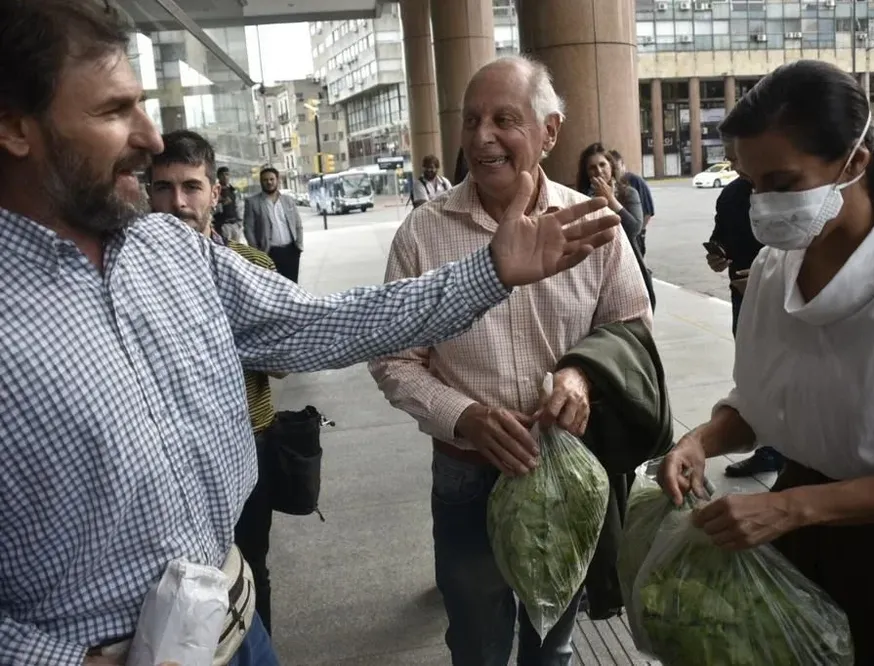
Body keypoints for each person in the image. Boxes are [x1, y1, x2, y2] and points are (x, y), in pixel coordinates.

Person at [0, 3, 622, 663]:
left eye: (142, 105)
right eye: (111, 111)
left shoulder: (170, 251)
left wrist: (490, 271)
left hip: (235, 628)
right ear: (15, 128)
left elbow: (318, 325)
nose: (152, 138)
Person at [658, 59, 874, 665]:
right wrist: (699, 442)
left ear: (856, 163)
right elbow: (758, 404)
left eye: (783, 183)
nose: (761, 204)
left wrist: (789, 508)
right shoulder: (771, 268)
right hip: (790, 535)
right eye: (749, 182)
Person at [369, 55, 652, 666]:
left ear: (549, 132)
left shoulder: (594, 224)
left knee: (554, 640)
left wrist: (579, 377)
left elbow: (631, 326)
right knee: (476, 638)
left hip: (570, 472)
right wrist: (466, 415)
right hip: (467, 471)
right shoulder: (423, 233)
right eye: (472, 121)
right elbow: (394, 359)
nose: (481, 137)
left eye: (504, 119)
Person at [148, 130, 283, 635]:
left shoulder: (251, 266)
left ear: (215, 193)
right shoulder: (132, 274)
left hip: (251, 436)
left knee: (252, 567)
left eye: (191, 187)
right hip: (173, 457)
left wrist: (223, 326)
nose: (177, 202)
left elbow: (286, 361)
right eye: (163, 188)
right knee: (182, 581)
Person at [704, 141, 782, 478]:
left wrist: (767, 278)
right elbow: (721, 241)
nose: (735, 166)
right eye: (731, 158)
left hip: (785, 302)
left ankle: (787, 449)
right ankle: (770, 448)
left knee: (787, 373)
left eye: (740, 157)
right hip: (744, 301)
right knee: (755, 372)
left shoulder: (786, 190)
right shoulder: (732, 196)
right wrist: (717, 258)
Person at [576, 141, 656, 308]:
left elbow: (634, 228)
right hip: (593, 270)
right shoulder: (580, 198)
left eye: (602, 164)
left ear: (611, 166)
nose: (599, 171)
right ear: (586, 173)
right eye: (592, 167)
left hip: (626, 265)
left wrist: (611, 200)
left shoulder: (628, 193)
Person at [244, 166, 304, 282]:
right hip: (268, 253)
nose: (269, 182)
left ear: (277, 180)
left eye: (272, 179)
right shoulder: (252, 202)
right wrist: (257, 253)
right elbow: (248, 229)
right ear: (261, 182)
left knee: (292, 286)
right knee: (273, 288)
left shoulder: (288, 200)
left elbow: (298, 224)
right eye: (265, 180)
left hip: (291, 251)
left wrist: (299, 246)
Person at [610, 148, 655, 256]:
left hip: (634, 236)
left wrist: (640, 232)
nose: (615, 171)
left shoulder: (635, 182)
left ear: (623, 166)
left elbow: (648, 211)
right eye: (612, 167)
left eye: (617, 167)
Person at [213, 165, 242, 239]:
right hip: (222, 225)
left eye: (227, 174)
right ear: (218, 176)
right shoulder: (214, 191)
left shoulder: (233, 190)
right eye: (222, 175)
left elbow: (239, 207)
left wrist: (239, 223)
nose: (225, 177)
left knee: (236, 249)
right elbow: (211, 209)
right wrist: (221, 204)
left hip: (235, 225)